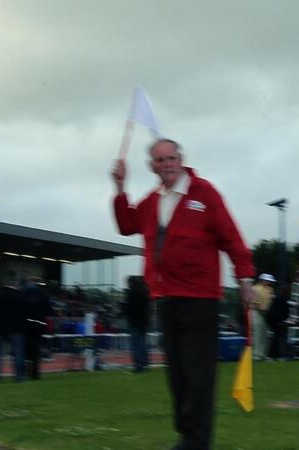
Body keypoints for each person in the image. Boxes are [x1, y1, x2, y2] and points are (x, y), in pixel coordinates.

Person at [111, 138, 255, 450]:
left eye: (171, 158)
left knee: (198, 372)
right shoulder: (153, 200)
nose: (167, 164)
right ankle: (186, 434)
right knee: (176, 373)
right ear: (152, 166)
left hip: (200, 298)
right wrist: (121, 188)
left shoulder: (204, 193)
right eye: (160, 160)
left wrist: (244, 278)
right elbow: (126, 225)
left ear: (181, 159)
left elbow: (231, 237)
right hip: (166, 298)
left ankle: (196, 440)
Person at [0, 275, 26, 383]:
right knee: (18, 353)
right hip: (15, 328)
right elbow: (23, 313)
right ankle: (18, 377)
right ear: (15, 286)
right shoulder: (19, 295)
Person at [21, 277, 54, 380]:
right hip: (38, 325)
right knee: (36, 350)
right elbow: (49, 310)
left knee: (25, 350)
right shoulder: (42, 293)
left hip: (25, 325)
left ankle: (25, 372)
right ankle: (35, 374)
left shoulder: (23, 292)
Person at [122, 275, 150, 373]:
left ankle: (138, 366)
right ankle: (145, 364)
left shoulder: (131, 293)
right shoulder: (145, 292)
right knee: (143, 344)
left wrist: (124, 306)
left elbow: (128, 309)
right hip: (144, 322)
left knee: (135, 344)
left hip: (134, 322)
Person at [251, 273, 276, 360]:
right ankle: (257, 355)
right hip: (257, 312)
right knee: (258, 334)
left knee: (265, 335)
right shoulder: (255, 288)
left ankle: (263, 354)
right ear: (263, 280)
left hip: (266, 314)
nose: (270, 283)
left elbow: (271, 300)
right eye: (268, 281)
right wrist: (262, 309)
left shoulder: (270, 289)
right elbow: (255, 302)